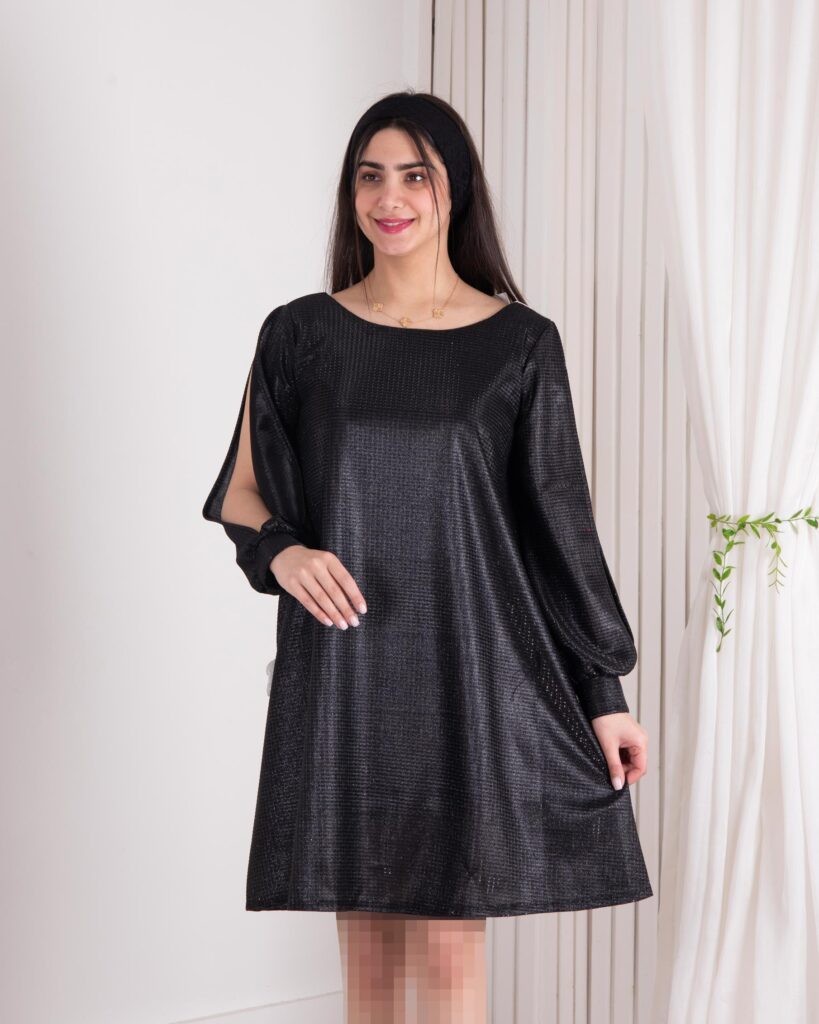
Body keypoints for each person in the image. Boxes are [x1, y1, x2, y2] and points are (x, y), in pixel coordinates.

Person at [202, 89, 651, 1024]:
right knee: (369, 965)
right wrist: (284, 554)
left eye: (415, 175)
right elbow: (241, 490)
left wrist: (601, 692)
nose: (389, 197)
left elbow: (556, 532)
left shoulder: (520, 344)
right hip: (345, 674)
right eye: (370, 177)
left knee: (449, 958)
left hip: (468, 674)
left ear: (456, 190)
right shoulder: (300, 334)